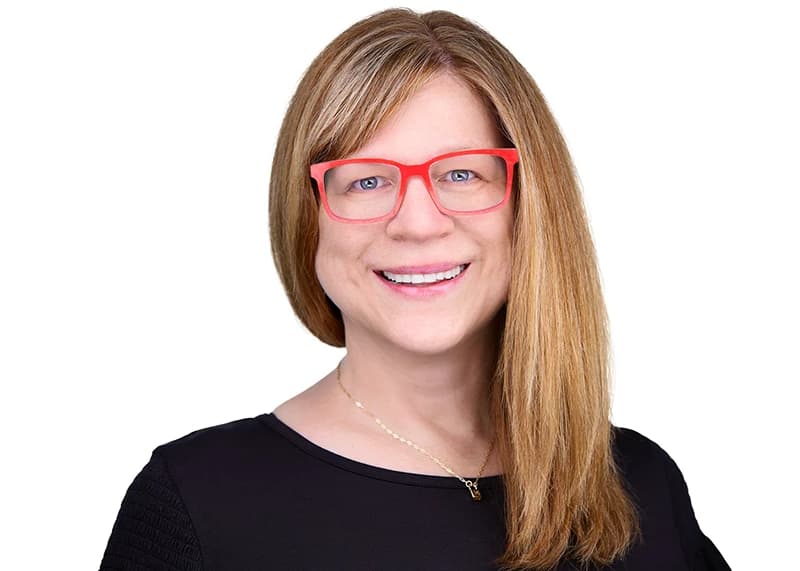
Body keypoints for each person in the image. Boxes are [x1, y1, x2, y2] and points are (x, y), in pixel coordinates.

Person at [99, 7, 730, 571]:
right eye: (367, 181)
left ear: (529, 207)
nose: (418, 221)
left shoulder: (641, 485)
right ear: (308, 215)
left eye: (461, 174)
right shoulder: (196, 505)